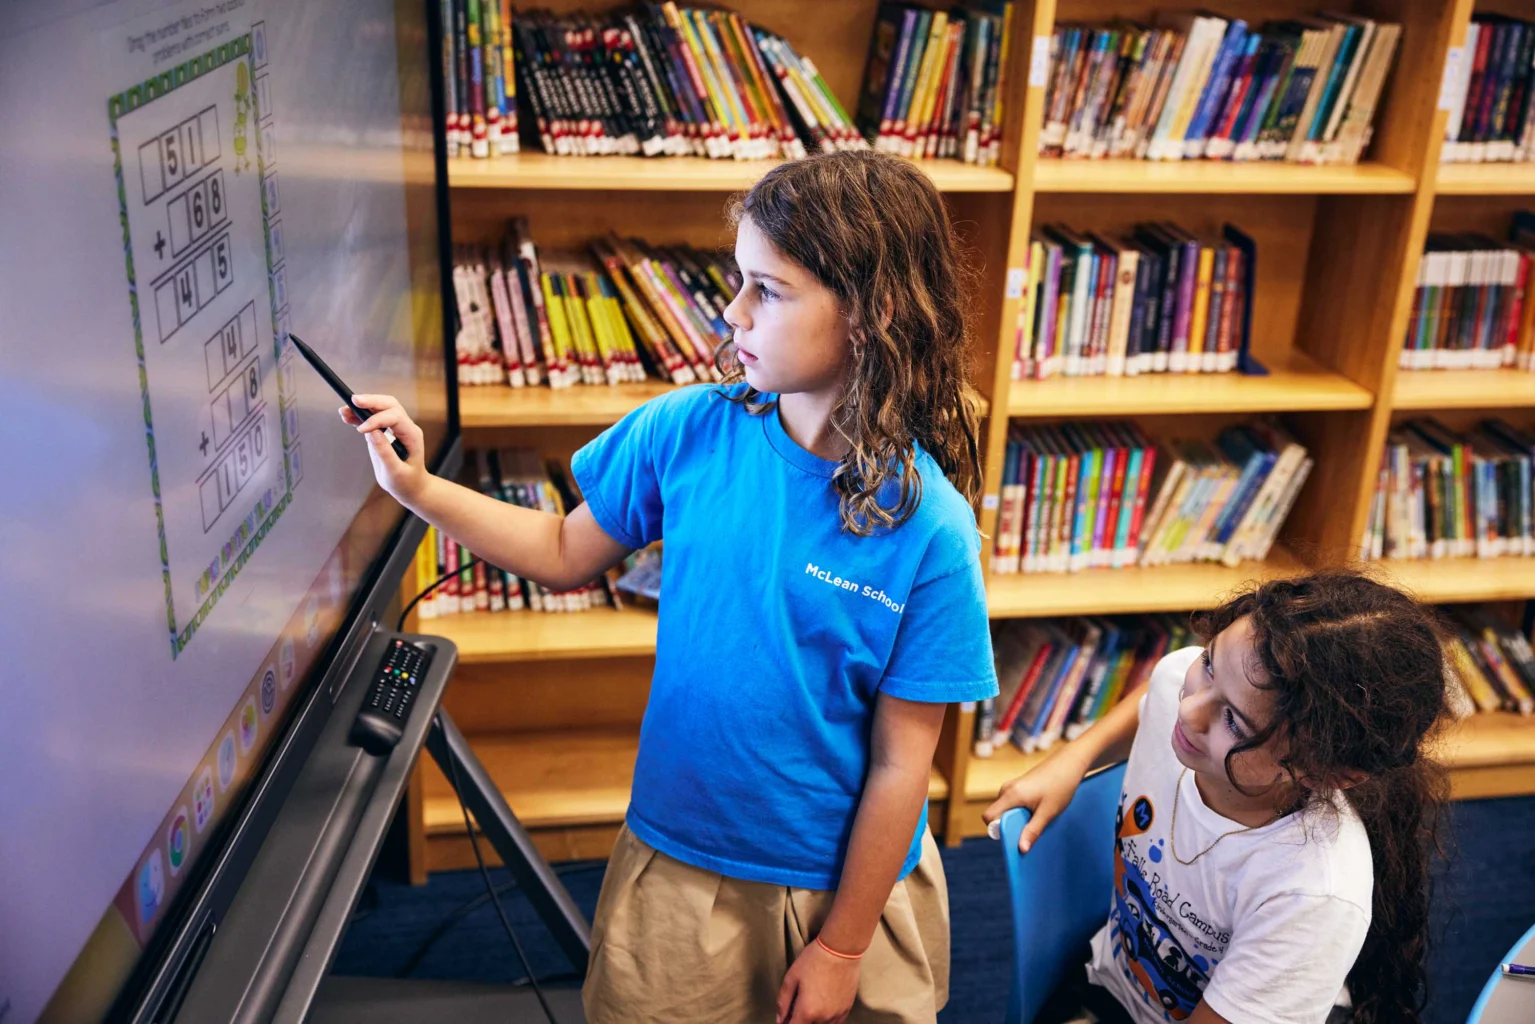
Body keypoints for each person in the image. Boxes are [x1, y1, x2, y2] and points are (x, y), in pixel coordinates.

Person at [343, 149, 998, 1024]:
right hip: (678, 865)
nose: (731, 315)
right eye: (737, 283)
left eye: (766, 290)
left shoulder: (933, 531)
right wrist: (418, 490)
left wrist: (842, 945)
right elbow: (561, 546)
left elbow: (899, 767)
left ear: (871, 314)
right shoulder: (687, 429)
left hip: (841, 891)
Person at [984, 571, 1451, 1024]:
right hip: (1112, 982)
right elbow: (1160, 690)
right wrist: (1073, 760)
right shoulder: (1183, 693)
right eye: (1208, 663)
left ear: (1325, 772)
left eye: (1234, 721)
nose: (1188, 710)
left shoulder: (1311, 893)